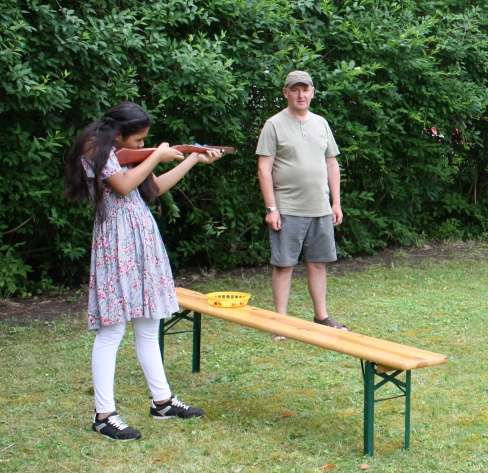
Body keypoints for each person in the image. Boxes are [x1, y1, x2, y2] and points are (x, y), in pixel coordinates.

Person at [63, 102, 223, 440]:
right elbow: (121, 186)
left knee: (149, 326)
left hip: (142, 240)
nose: (142, 145)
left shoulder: (128, 155)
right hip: (115, 243)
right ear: (117, 134)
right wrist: (157, 155)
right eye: (138, 141)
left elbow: (154, 188)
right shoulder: (94, 150)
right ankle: (103, 415)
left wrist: (192, 159)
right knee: (111, 331)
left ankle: (162, 401)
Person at [256, 70, 346, 333]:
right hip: (287, 208)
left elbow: (332, 164)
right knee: (284, 265)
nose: (300, 95)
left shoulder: (321, 123)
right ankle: (280, 324)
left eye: (305, 89)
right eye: (295, 90)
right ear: (286, 93)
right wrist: (271, 208)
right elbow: (264, 169)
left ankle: (321, 316)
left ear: (312, 92)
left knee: (318, 263)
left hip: (320, 207)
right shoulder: (273, 125)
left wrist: (336, 203)